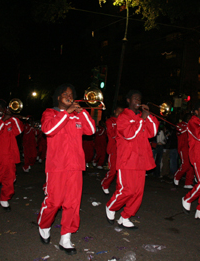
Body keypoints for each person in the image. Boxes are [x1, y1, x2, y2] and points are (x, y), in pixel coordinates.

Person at [37, 84, 95, 255]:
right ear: (58, 97)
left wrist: (81, 112)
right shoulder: (50, 113)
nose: (69, 96)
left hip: (75, 166)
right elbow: (48, 130)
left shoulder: (77, 115)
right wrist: (66, 113)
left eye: (71, 94)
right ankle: (44, 224)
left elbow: (91, 130)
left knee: (73, 203)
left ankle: (66, 238)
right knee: (54, 202)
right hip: (56, 167)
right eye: (65, 94)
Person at [105, 90, 159, 229]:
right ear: (128, 100)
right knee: (127, 190)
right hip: (127, 159)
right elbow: (129, 135)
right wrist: (141, 120)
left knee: (138, 192)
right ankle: (111, 207)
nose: (138, 101)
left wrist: (149, 117)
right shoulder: (123, 117)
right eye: (135, 98)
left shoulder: (142, 117)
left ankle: (125, 216)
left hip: (141, 160)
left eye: (139, 99)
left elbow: (152, 132)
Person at [101, 106, 124, 195]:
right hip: (113, 149)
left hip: (122, 149)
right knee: (113, 171)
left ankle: (120, 188)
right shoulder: (110, 121)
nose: (119, 114)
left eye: (121, 112)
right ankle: (105, 184)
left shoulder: (123, 121)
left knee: (121, 171)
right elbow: (112, 134)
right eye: (118, 111)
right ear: (114, 111)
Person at [174, 114, 195, 189]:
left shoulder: (193, 125)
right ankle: (177, 176)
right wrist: (189, 127)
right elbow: (179, 132)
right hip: (183, 147)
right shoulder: (180, 125)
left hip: (191, 147)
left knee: (191, 166)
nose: (190, 118)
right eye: (189, 117)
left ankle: (188, 182)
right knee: (185, 164)